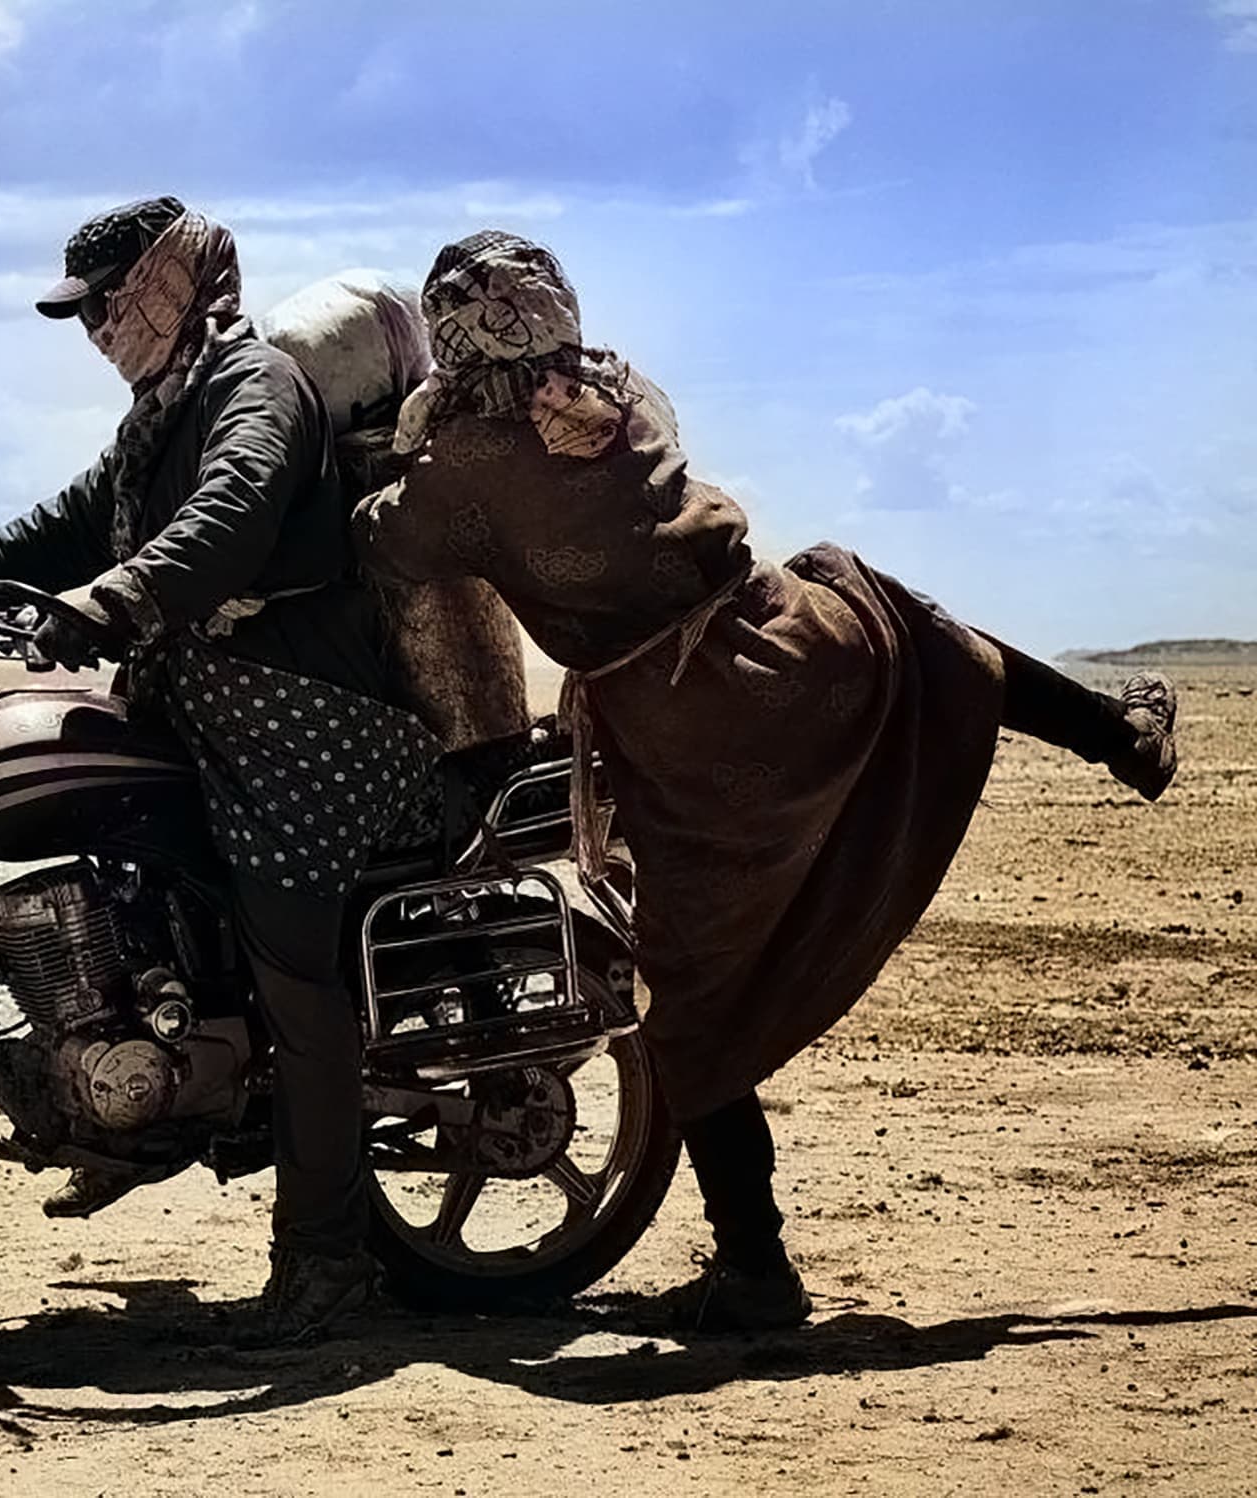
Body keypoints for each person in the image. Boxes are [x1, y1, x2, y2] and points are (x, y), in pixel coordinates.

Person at [352, 230, 1179, 1333]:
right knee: (911, 631)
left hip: (692, 727)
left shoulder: (466, 464)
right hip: (788, 636)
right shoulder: (616, 392)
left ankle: (755, 1267)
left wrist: (380, 453)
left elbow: (387, 544)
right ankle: (1116, 730)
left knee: (693, 998)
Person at [0, 197, 443, 1344]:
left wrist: (112, 600)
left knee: (294, 971)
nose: (96, 328)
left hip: (301, 722)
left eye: (108, 301)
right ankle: (128, 1106)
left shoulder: (253, 387)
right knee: (122, 886)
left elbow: (230, 517)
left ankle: (329, 1259)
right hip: (204, 710)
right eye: (82, 313)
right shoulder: (161, 414)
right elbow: (63, 521)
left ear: (172, 285)